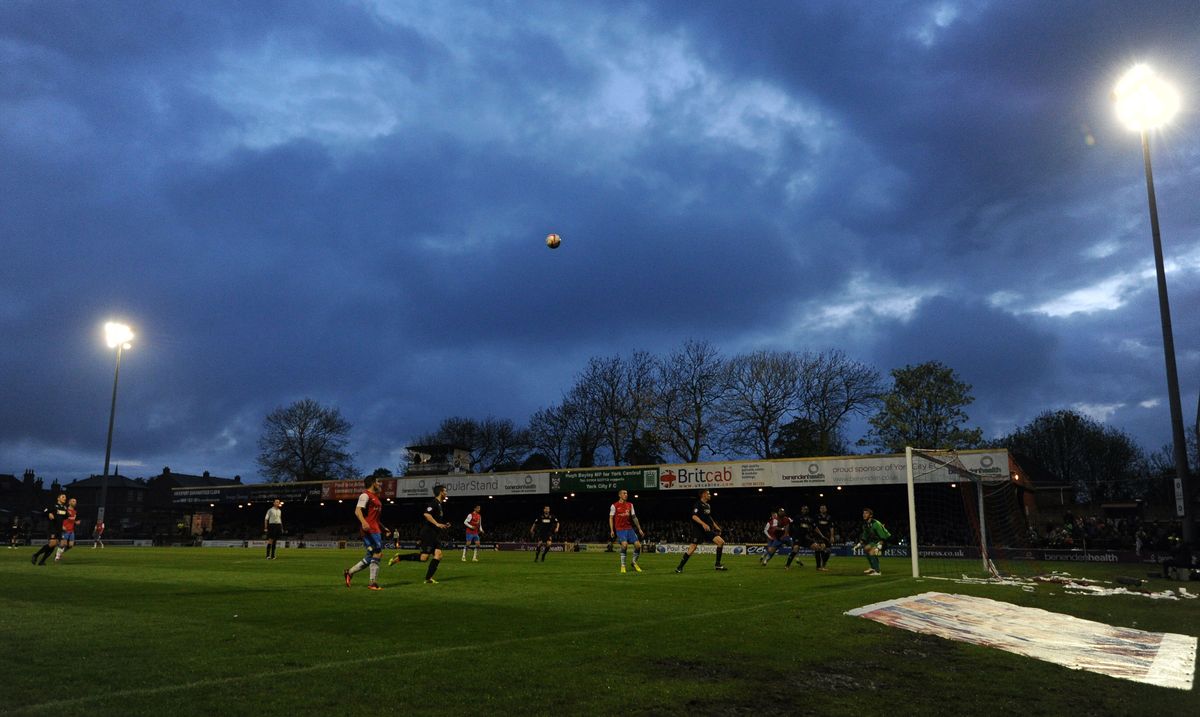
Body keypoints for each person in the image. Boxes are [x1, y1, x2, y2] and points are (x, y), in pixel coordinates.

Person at [344, 476, 387, 591]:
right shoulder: (365, 495)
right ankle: (373, 583)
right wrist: (363, 523)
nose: (380, 484)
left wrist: (383, 528)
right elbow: (357, 511)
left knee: (371, 556)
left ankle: (349, 572)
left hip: (375, 529)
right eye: (378, 482)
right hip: (369, 530)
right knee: (377, 553)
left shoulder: (375, 498)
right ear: (373, 483)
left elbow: (375, 518)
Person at [675, 489, 727, 573]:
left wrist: (716, 526)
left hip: (707, 529)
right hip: (698, 530)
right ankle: (679, 567)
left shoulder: (708, 505)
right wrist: (703, 524)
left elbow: (709, 517)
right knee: (693, 548)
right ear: (703, 495)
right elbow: (694, 516)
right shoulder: (698, 504)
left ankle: (717, 564)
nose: (710, 495)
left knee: (720, 542)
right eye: (708, 494)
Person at [608, 489, 644, 574]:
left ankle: (634, 562)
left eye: (627, 493)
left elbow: (634, 517)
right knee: (624, 545)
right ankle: (623, 565)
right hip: (620, 529)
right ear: (619, 495)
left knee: (638, 545)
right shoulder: (614, 506)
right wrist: (612, 530)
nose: (626, 495)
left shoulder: (630, 505)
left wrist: (639, 528)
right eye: (624, 493)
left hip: (629, 529)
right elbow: (611, 518)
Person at [31, 494, 67, 566]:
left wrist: (63, 525)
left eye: (65, 497)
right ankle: (36, 555)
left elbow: (65, 517)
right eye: (63, 497)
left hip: (59, 529)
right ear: (58, 498)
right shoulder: (53, 505)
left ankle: (42, 561)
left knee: (54, 546)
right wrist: (49, 513)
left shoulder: (64, 508)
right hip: (52, 528)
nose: (64, 498)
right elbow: (44, 512)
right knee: (53, 544)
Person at [854, 508, 891, 576]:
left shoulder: (876, 524)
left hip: (884, 541)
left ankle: (877, 572)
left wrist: (879, 546)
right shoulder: (866, 525)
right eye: (863, 513)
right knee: (865, 548)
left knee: (871, 552)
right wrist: (859, 544)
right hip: (876, 541)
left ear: (871, 515)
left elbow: (883, 536)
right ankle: (873, 568)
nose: (864, 515)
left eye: (866, 513)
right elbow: (864, 537)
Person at [785, 505, 814, 570]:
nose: (805, 510)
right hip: (797, 536)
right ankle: (787, 565)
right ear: (801, 510)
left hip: (805, 537)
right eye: (804, 509)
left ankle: (819, 567)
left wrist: (810, 533)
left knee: (816, 547)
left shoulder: (810, 519)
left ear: (808, 510)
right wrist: (790, 534)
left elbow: (812, 528)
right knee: (796, 548)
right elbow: (790, 525)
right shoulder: (797, 517)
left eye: (806, 509)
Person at [54, 498, 80, 563]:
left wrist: (76, 522)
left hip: (71, 530)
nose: (75, 502)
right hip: (65, 529)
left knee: (71, 545)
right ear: (69, 502)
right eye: (73, 501)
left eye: (75, 501)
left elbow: (73, 520)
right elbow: (59, 518)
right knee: (63, 544)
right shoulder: (65, 509)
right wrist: (61, 526)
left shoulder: (75, 511)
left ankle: (60, 553)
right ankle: (57, 556)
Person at [812, 504, 836, 572]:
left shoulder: (829, 517)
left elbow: (831, 527)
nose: (823, 509)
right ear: (820, 510)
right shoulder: (816, 517)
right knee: (820, 548)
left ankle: (823, 565)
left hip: (827, 536)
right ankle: (819, 566)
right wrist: (821, 535)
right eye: (821, 508)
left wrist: (832, 536)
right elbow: (815, 527)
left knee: (828, 550)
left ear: (826, 509)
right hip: (818, 535)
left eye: (824, 508)